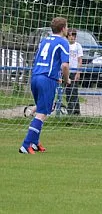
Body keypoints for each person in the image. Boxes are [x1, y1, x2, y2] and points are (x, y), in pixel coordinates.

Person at [19, 17, 70, 154]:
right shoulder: (63, 43)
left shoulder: (44, 41)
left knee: (44, 108)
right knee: (42, 113)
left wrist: (56, 78)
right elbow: (65, 65)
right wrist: (66, 79)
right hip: (46, 79)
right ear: (63, 28)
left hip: (35, 76)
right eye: (67, 27)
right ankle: (26, 145)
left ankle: (35, 143)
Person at [65, 28, 83, 115]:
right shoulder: (65, 45)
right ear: (67, 36)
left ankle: (76, 112)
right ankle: (69, 111)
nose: (72, 37)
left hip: (74, 72)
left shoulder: (78, 46)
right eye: (70, 35)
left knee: (74, 91)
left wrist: (78, 72)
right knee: (67, 92)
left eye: (73, 35)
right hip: (66, 71)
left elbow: (80, 60)